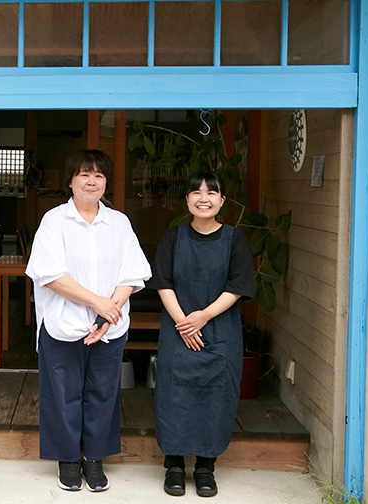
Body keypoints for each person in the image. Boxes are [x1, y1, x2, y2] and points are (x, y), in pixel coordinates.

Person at [25, 149, 151, 493]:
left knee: (102, 393)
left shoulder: (119, 223)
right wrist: (98, 303)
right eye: (83, 174)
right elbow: (49, 275)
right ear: (70, 180)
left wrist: (110, 312)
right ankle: (68, 459)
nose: (91, 180)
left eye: (98, 175)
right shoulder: (54, 221)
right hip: (63, 325)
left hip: (110, 327)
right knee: (62, 394)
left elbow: (134, 272)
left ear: (106, 182)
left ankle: (94, 459)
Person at [148, 170, 254, 498]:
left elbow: (237, 286)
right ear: (187, 200)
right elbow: (162, 282)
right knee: (173, 396)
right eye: (196, 192)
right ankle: (175, 466)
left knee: (216, 397)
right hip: (177, 330)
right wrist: (184, 323)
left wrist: (203, 316)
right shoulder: (173, 237)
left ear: (222, 201)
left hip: (220, 330)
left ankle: (206, 467)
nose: (203, 198)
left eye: (212, 193)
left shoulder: (235, 239)